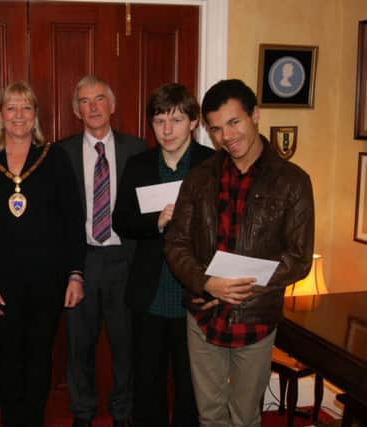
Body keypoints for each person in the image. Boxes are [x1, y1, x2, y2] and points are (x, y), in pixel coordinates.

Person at [164, 79, 314, 427]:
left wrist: (241, 286)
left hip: (256, 317)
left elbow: (299, 257)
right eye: (215, 129)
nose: (226, 136)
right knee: (210, 416)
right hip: (203, 315)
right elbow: (176, 243)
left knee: (245, 417)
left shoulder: (294, 181)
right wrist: (207, 283)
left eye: (234, 122)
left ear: (255, 115)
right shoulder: (199, 178)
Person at [0, 81, 86, 427]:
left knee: (39, 357)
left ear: (35, 116)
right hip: (1, 283)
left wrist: (76, 274)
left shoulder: (54, 158)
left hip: (49, 281)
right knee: (8, 357)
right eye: (12, 108)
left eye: (26, 108)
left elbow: (73, 221)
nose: (19, 115)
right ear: (1, 115)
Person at [112, 83, 213, 427]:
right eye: (159, 121)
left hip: (196, 293)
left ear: (194, 122)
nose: (167, 130)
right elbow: (120, 221)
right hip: (149, 292)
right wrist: (156, 221)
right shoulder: (139, 164)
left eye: (177, 120)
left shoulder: (212, 164)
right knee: (148, 381)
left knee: (191, 384)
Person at [60, 75, 146, 427]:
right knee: (79, 346)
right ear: (76, 110)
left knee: (125, 345)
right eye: (84, 101)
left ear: (112, 105)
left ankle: (123, 412)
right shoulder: (59, 153)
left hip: (126, 260)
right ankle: (83, 413)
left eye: (99, 99)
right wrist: (69, 268)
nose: (93, 107)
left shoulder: (138, 150)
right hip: (81, 262)